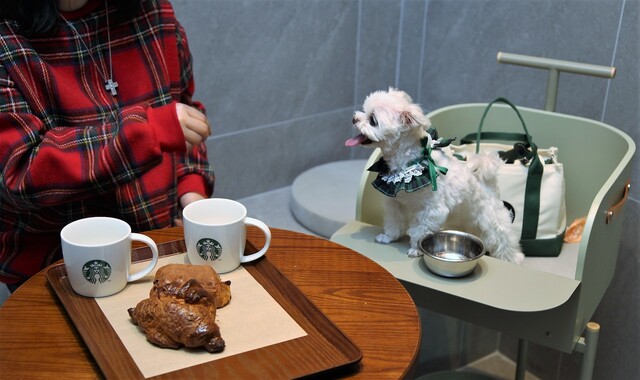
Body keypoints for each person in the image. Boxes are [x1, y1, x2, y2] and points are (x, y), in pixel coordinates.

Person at [0, 0, 214, 292]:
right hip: (57, 263)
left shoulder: (153, 11)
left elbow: (183, 113)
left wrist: (192, 196)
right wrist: (146, 132)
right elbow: (20, 170)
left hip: (156, 241)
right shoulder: (6, 38)